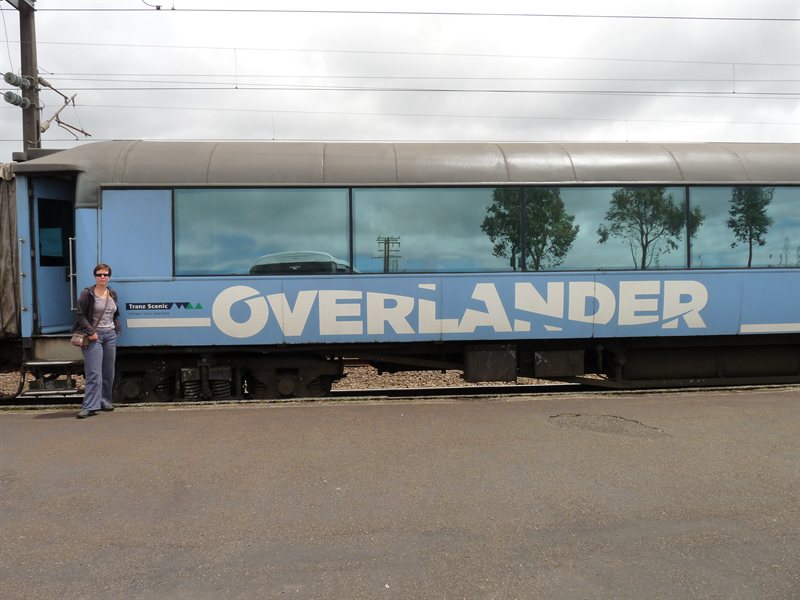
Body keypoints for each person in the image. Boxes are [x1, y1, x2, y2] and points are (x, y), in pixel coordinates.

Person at [74, 263, 121, 419]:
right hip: (94, 336)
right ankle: (89, 406)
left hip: (110, 336)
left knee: (108, 371)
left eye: (105, 274)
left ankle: (105, 401)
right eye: (99, 274)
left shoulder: (112, 293)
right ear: (95, 276)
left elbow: (115, 314)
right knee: (93, 372)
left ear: (109, 277)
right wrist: (91, 331)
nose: (103, 277)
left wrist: (115, 330)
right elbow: (80, 315)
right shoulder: (88, 294)